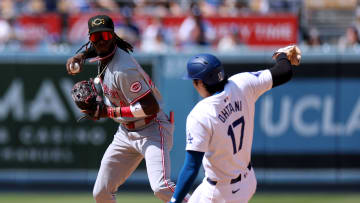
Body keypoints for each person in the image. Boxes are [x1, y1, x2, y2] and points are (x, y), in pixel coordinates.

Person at [66, 14, 189, 203]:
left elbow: (151, 107)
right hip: (125, 132)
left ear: (113, 36)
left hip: (152, 129)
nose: (100, 42)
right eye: (95, 37)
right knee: (101, 192)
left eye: (105, 36)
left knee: (161, 187)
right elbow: (97, 48)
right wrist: (82, 55)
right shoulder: (104, 54)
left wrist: (108, 112)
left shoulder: (124, 69)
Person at [169, 46, 301, 203]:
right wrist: (281, 55)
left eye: (194, 81)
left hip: (219, 193)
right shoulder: (243, 83)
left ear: (200, 82)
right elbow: (284, 72)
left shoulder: (200, 115)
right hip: (247, 180)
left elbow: (191, 167)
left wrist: (174, 200)